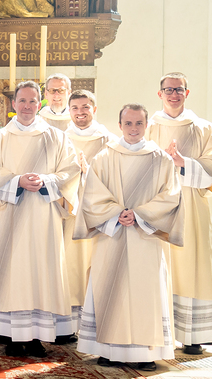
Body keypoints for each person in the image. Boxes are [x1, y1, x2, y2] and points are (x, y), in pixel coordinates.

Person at [74, 104, 184, 372]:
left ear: (146, 125)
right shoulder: (104, 157)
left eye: (138, 123)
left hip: (145, 238)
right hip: (112, 235)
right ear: (120, 125)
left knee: (145, 292)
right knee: (109, 288)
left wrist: (139, 215)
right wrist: (116, 214)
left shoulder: (161, 159)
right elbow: (92, 194)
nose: (133, 128)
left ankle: (146, 353)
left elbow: (171, 196)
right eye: (128, 123)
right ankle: (108, 350)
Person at [0, 81, 80, 358]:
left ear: (39, 104)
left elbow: (71, 170)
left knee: (40, 272)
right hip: (11, 215)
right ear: (13, 104)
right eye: (22, 101)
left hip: (44, 218)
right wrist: (17, 181)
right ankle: (13, 336)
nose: (27, 106)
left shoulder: (56, 137)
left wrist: (46, 180)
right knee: (13, 272)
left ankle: (36, 337)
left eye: (33, 101)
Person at [148, 72, 212, 355]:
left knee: (192, 264)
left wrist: (183, 163)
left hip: (192, 207)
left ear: (187, 93)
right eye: (168, 90)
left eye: (179, 90)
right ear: (160, 94)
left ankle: (192, 335)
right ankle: (157, 332)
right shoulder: (147, 128)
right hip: (157, 206)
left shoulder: (205, 129)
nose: (174, 94)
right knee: (157, 264)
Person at [61, 89, 114, 336]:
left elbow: (116, 176)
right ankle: (68, 326)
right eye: (75, 108)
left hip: (98, 215)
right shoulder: (61, 139)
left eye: (85, 107)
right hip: (69, 213)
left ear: (94, 109)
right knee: (69, 265)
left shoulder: (109, 140)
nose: (80, 112)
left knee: (96, 265)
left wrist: (88, 172)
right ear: (69, 111)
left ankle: (95, 326)